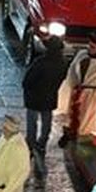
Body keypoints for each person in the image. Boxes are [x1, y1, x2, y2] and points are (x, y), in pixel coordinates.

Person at [22, 37, 68, 179]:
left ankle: (31, 142)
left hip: (34, 97)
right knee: (46, 120)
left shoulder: (40, 62)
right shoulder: (63, 63)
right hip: (49, 97)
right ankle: (42, 142)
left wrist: (27, 88)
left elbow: (28, 80)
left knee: (32, 121)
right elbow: (62, 78)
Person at [59, 39, 96, 143]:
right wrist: (74, 85)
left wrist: (87, 88)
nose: (89, 49)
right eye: (89, 46)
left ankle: (81, 135)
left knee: (86, 115)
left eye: (93, 47)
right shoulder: (82, 54)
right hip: (77, 90)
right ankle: (72, 133)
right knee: (73, 114)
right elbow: (73, 69)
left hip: (93, 93)